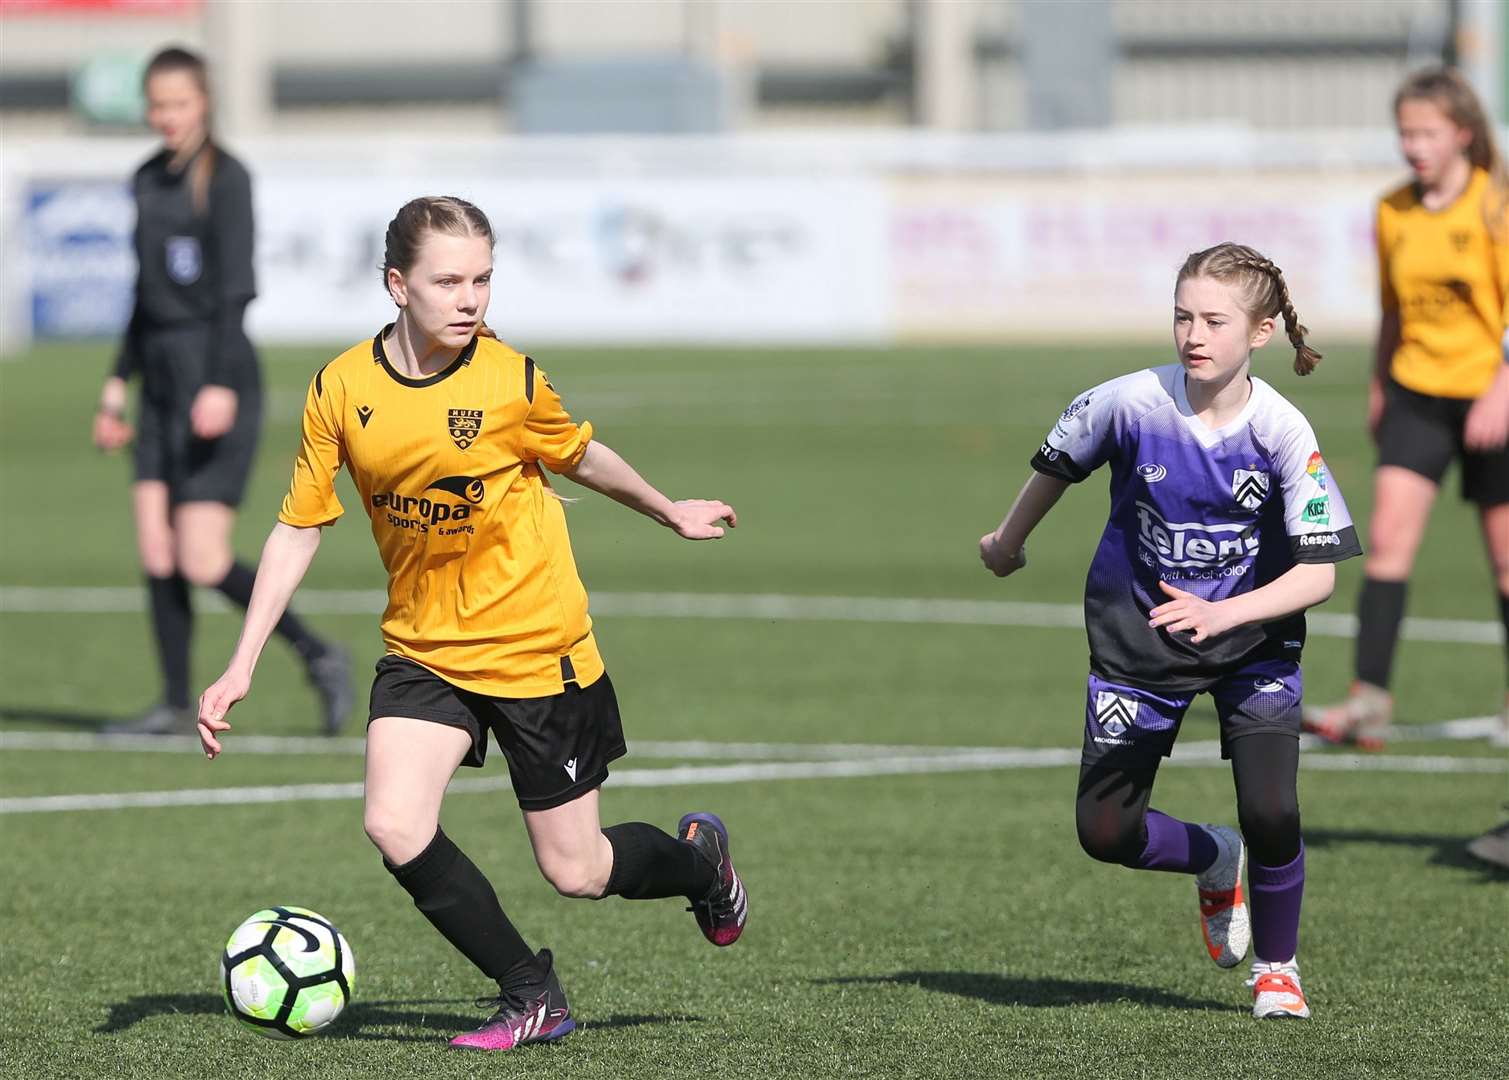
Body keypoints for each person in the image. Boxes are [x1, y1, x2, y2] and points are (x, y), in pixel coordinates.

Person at [195, 196, 749, 1051]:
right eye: (447, 280)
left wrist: (665, 509)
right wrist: (242, 663)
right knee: (393, 821)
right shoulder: (340, 387)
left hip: (537, 649)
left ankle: (699, 865)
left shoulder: (509, 379)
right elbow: (300, 523)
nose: (469, 299)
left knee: (576, 869)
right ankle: (531, 992)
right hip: (424, 649)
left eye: (482, 279)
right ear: (396, 284)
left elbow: (581, 453)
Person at [978, 243, 1361, 1020]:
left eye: (1213, 320)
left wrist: (1225, 612)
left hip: (1252, 642)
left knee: (1272, 810)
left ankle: (1278, 970)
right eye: (1182, 315)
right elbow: (1057, 464)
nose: (1192, 333)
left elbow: (1318, 573)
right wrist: (1007, 540)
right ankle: (1212, 856)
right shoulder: (1127, 402)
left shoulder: (1282, 430)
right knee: (1104, 831)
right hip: (1138, 638)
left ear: (1257, 332)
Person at [91, 45, 350, 735]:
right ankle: (175, 702)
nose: (166, 116)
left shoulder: (227, 179)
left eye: (178, 103)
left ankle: (317, 653)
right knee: (156, 550)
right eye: (156, 105)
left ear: (202, 102)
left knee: (201, 554)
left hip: (217, 371)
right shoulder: (146, 178)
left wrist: (216, 383)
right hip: (157, 381)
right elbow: (144, 297)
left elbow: (234, 293)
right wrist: (117, 385)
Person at [1306, 67, 1509, 750]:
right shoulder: (1391, 209)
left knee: (1506, 562)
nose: (1412, 146)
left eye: (1425, 133)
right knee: (1386, 543)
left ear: (1460, 132)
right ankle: (1367, 698)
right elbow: (1391, 310)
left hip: (1492, 395)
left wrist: (1499, 391)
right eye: (1403, 133)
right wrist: (1377, 386)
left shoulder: (1495, 203)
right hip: (1417, 393)